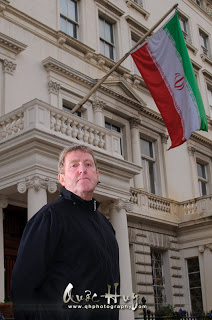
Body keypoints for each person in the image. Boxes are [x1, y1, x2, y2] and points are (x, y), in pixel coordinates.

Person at [11, 144, 120, 320]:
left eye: (88, 164)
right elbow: (23, 285)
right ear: (62, 178)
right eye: (74, 165)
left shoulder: (106, 226)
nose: (82, 170)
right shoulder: (49, 217)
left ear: (97, 175)